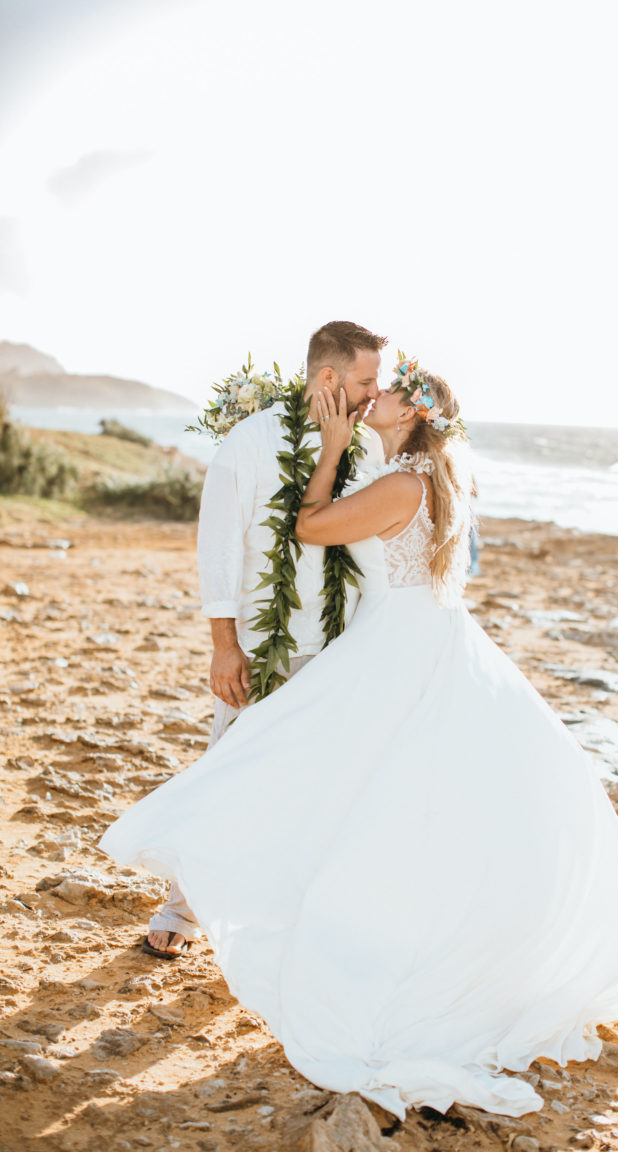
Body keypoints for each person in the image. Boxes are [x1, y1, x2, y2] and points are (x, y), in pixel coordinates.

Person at [99, 361, 618, 1119]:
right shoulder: (433, 475)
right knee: (397, 795)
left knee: (322, 772)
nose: (374, 396)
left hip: (396, 648)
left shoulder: (401, 483)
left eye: (388, 391)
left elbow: (310, 525)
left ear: (414, 412)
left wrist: (330, 445)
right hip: (428, 640)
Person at [142, 319, 387, 959]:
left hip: (340, 647)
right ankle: (183, 907)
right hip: (260, 643)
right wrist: (225, 644)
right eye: (365, 381)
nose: (373, 393)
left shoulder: (365, 449)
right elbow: (217, 549)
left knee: (321, 787)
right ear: (328, 378)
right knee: (228, 773)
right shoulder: (250, 443)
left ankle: (291, 917)